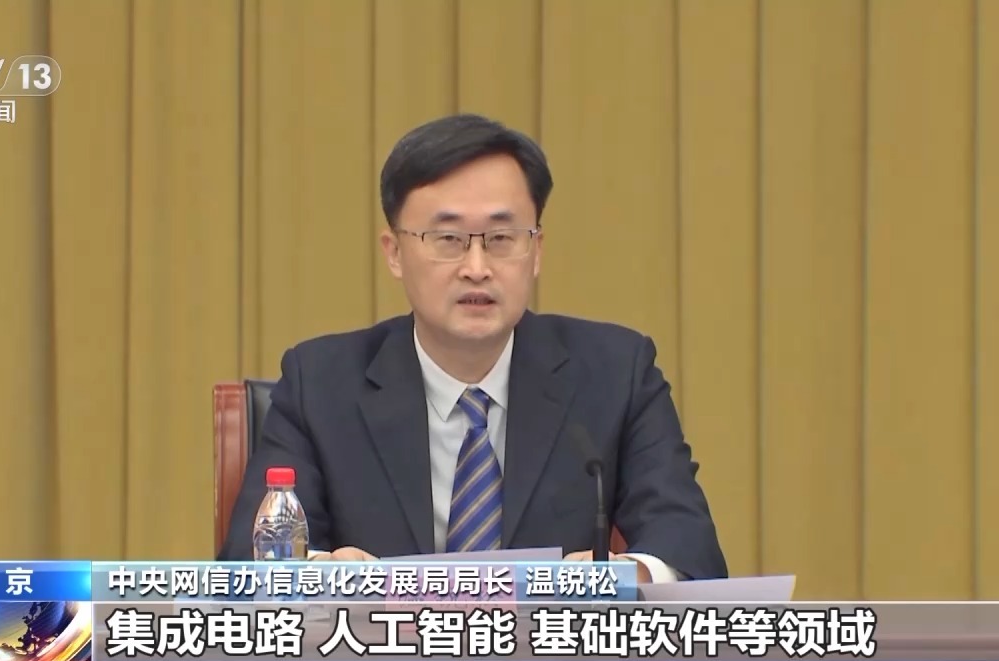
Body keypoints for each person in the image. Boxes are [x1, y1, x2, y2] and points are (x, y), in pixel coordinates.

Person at [221, 113, 727, 582]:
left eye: (502, 238)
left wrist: (629, 575)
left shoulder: (615, 374)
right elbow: (247, 558)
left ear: (536, 251)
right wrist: (322, 573)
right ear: (394, 252)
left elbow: (689, 547)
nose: (478, 268)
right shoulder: (320, 383)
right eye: (448, 239)